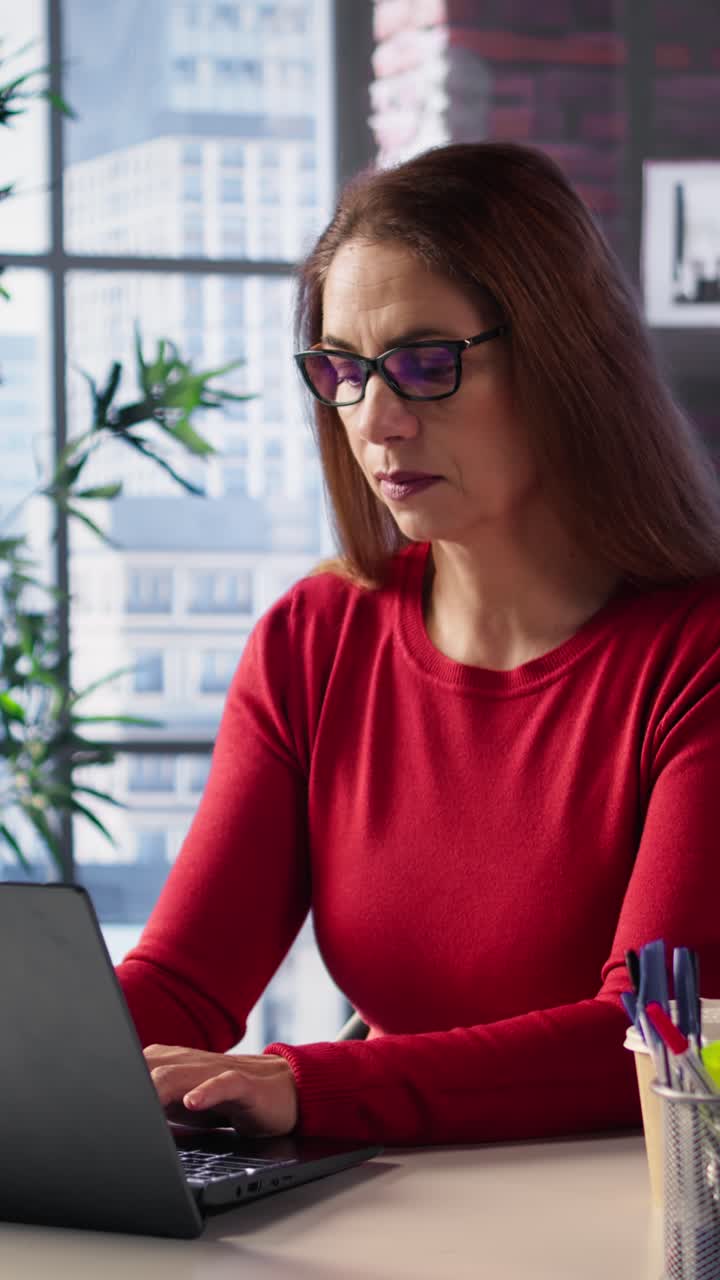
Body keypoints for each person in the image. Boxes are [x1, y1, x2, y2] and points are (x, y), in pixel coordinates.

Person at [116, 141, 720, 1146]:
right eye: (344, 371)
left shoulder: (694, 655)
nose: (377, 419)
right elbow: (185, 980)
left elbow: (651, 1037)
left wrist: (311, 1084)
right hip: (393, 1205)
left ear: (563, 356)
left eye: (427, 364)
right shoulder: (315, 638)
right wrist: (49, 1073)